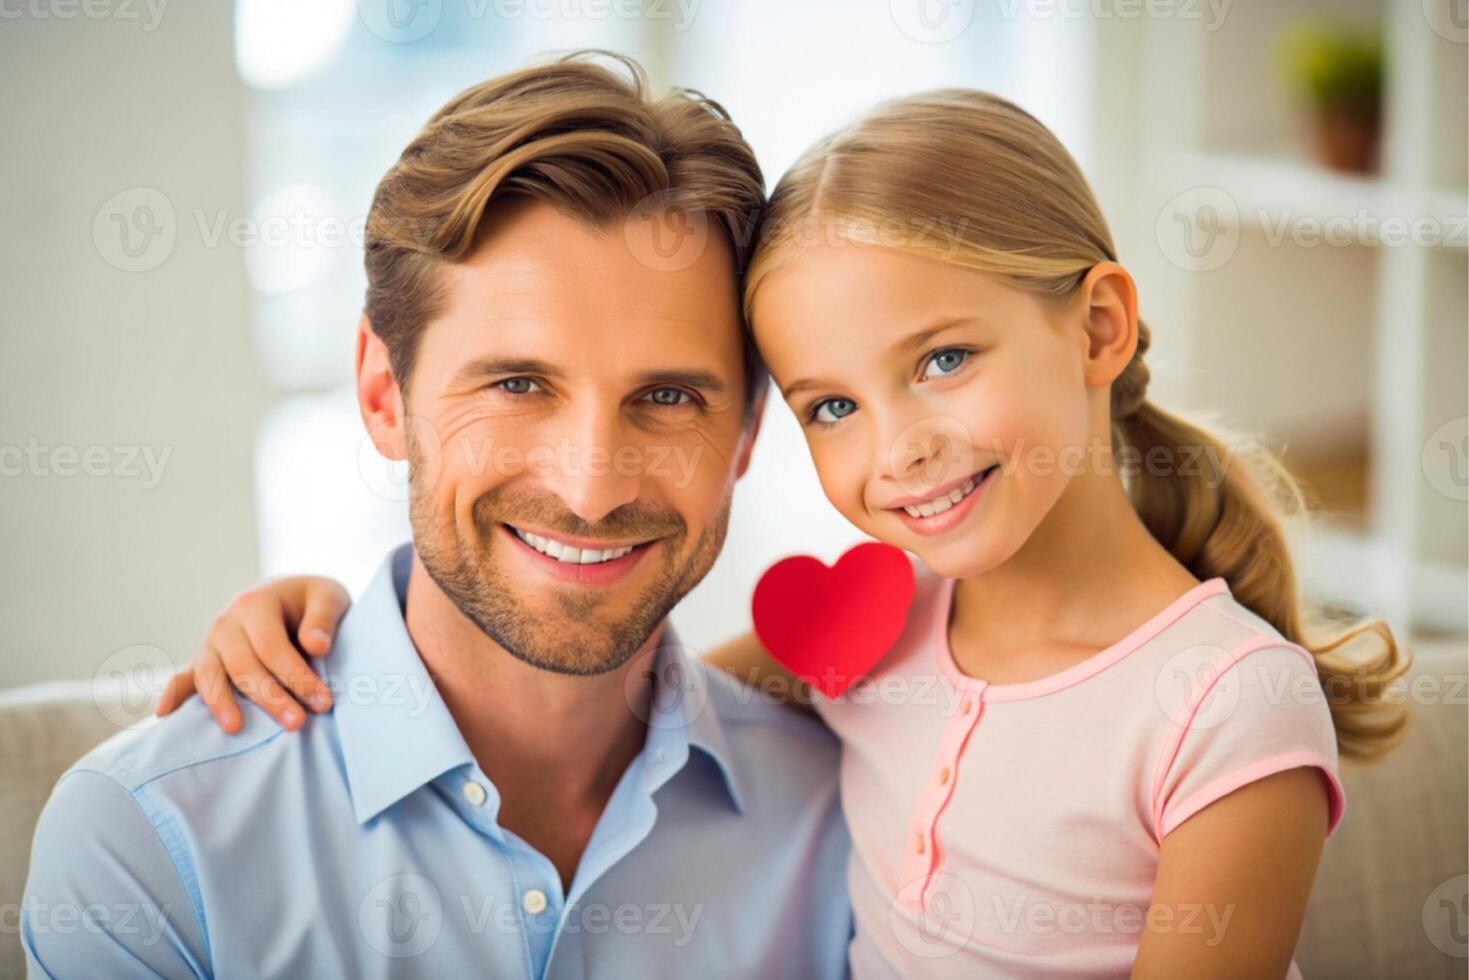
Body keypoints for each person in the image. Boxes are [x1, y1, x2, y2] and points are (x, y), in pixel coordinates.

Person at [164, 79, 1416, 978]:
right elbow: (628, 702)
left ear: (1097, 327)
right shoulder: (872, 625)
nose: (897, 448)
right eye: (831, 403)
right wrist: (322, 614)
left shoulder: (1223, 703)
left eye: (940, 357)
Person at [21, 54, 855, 980]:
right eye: (517, 384)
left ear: (745, 431)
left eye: (665, 396)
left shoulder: (848, 814)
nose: (590, 491)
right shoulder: (150, 840)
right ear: (384, 395)